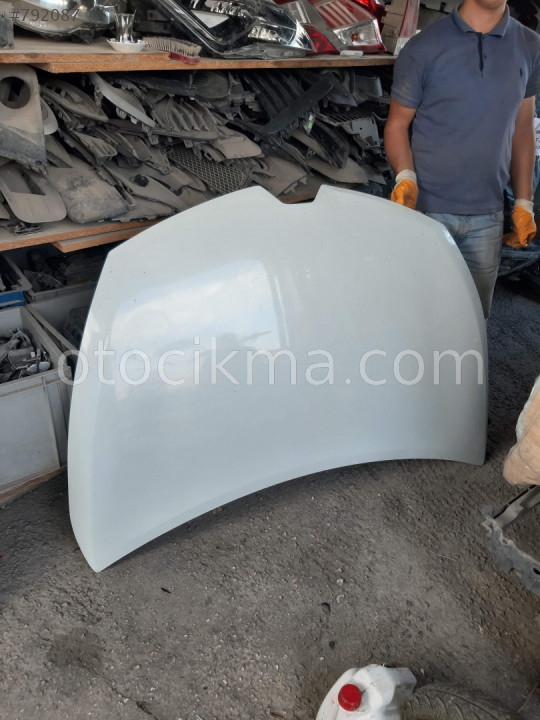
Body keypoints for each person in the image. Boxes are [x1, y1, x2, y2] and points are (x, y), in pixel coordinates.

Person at [384, 0, 540, 317]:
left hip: (488, 216)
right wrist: (406, 177)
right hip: (427, 212)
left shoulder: (529, 45)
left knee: (473, 321)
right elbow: (397, 124)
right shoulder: (425, 46)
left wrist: (524, 203)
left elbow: (523, 128)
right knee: (422, 317)